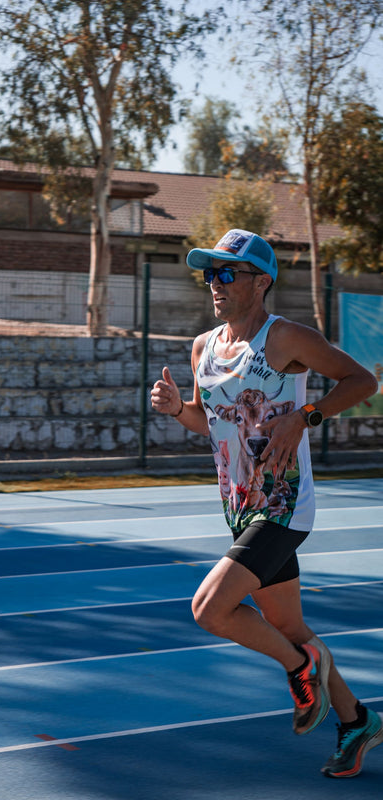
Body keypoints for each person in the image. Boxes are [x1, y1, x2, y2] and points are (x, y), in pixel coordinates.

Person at [151, 228, 383, 778]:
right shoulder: (203, 347)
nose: (215, 283)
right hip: (238, 504)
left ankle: (300, 669)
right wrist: (178, 409)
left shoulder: (286, 338)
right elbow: (210, 422)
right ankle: (357, 721)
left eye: (227, 273)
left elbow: (363, 381)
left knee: (209, 609)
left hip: (282, 503)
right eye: (210, 273)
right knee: (289, 626)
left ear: (261, 282)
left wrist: (305, 417)